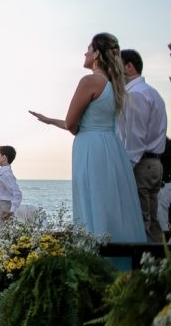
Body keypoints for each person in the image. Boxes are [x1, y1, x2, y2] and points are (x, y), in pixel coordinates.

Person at [30, 32, 145, 246]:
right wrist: (49, 121)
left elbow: (72, 123)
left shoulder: (90, 81)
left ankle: (95, 255)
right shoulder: (114, 85)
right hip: (111, 147)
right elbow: (82, 121)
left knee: (92, 201)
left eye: (89, 49)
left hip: (90, 148)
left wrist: (72, 129)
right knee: (111, 204)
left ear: (97, 55)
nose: (85, 53)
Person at [118, 49, 167, 243]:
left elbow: (135, 138)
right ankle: (157, 269)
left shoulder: (136, 95)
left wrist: (125, 169)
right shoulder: (153, 93)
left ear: (129, 67)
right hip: (155, 164)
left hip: (141, 164)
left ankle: (142, 270)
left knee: (140, 222)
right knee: (153, 221)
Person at [0, 146, 23, 233]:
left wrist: (11, 211)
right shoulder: (1, 173)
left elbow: (17, 193)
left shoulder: (6, 175)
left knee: (2, 235)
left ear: (4, 158)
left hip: (3, 208)